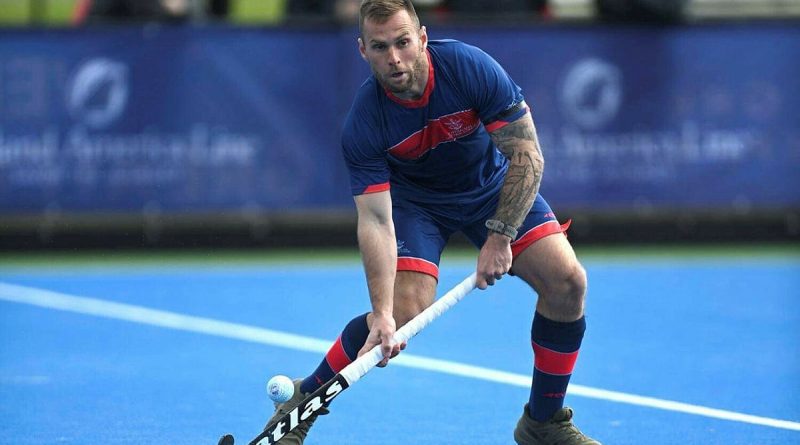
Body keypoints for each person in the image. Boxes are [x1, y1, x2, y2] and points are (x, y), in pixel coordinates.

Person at [264, 1, 600, 444]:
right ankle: (304, 402)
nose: (395, 58)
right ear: (363, 50)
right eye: (381, 47)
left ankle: (542, 423)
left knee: (567, 282)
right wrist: (382, 314)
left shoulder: (467, 67)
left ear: (422, 38)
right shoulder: (365, 121)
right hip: (416, 206)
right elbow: (376, 221)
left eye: (403, 42)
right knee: (401, 315)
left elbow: (527, 153)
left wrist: (500, 237)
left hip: (490, 188)